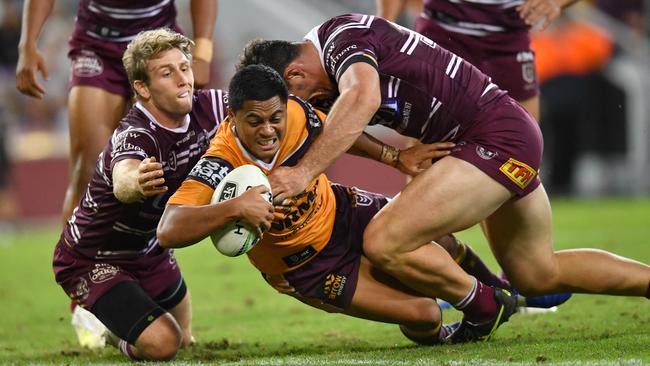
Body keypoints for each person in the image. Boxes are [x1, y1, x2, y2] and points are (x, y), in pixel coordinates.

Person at [237, 14, 650, 343]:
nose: (300, 111)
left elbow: (362, 98)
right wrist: (393, 156)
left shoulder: (342, 37)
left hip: (493, 140)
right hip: (493, 140)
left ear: (293, 75)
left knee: (385, 241)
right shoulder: (325, 73)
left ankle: (485, 304)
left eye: (293, 103)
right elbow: (332, 118)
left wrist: (303, 173)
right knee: (537, 274)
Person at [159, 64, 573, 345]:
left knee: (439, 240)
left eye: (275, 118)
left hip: (343, 210)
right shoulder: (219, 160)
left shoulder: (297, 113)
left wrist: (394, 157)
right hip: (308, 267)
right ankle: (462, 322)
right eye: (255, 121)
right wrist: (235, 208)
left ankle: (498, 300)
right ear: (233, 116)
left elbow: (338, 131)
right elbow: (169, 228)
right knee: (425, 315)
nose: (268, 130)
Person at [52, 28, 228, 360]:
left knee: (186, 338)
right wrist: (138, 181)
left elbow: (254, 110)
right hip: (93, 257)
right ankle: (106, 334)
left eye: (184, 67)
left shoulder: (209, 106)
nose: (183, 79)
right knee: (163, 344)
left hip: (149, 249)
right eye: (167, 72)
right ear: (142, 88)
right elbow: (124, 176)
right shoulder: (136, 134)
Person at [16, 0, 217, 224]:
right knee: (88, 172)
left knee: (160, 170)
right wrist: (28, 44)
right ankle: (75, 258)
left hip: (158, 48)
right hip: (97, 46)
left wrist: (203, 52)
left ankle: (148, 255)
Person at [376, 0, 580, 120]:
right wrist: (384, 31)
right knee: (426, 154)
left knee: (523, 152)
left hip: (511, 36)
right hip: (444, 34)